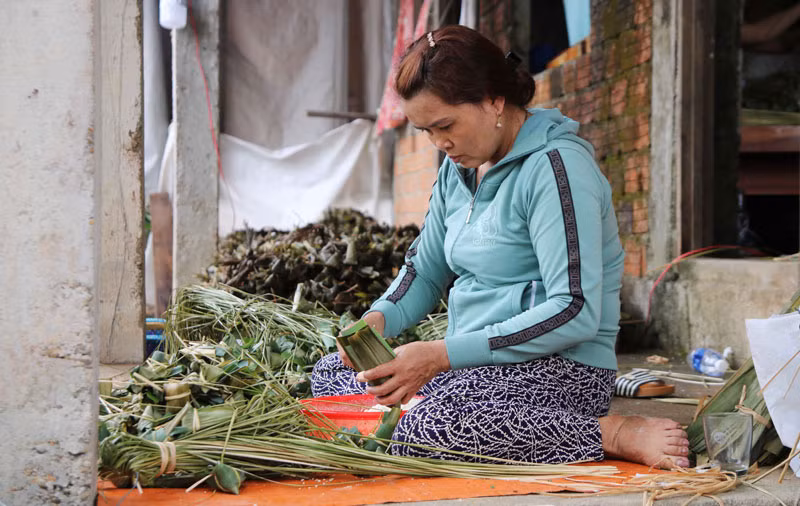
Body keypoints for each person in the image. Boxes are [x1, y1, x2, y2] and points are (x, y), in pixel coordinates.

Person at [312, 25, 690, 469]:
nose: (440, 144)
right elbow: (426, 269)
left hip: (560, 370)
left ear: (494, 99)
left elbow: (574, 309)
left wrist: (439, 356)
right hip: (471, 367)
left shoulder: (557, 168)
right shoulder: (459, 171)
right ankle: (463, 412)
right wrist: (376, 321)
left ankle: (608, 432)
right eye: (427, 131)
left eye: (445, 125)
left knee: (422, 427)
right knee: (332, 375)